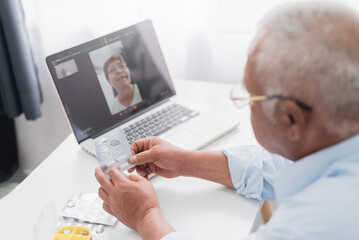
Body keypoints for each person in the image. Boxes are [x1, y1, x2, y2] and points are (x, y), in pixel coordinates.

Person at [95, 2, 359, 239]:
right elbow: (279, 168)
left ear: (290, 118)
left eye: (250, 95)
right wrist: (185, 161)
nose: (246, 103)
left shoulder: (320, 221)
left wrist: (144, 214)